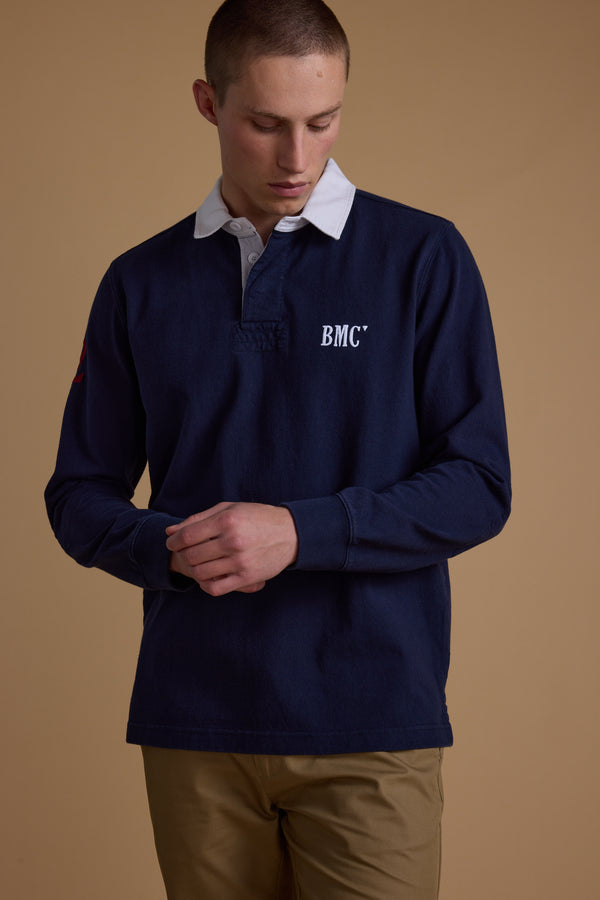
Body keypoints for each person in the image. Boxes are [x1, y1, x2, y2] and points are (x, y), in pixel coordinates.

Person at [45, 0, 511, 897]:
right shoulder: (138, 283)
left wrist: (301, 532)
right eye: (264, 124)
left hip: (372, 723)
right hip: (194, 726)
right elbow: (79, 493)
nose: (299, 157)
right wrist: (168, 548)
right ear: (207, 103)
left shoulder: (423, 258)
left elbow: (478, 484)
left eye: (322, 121)